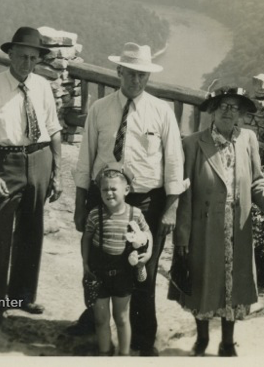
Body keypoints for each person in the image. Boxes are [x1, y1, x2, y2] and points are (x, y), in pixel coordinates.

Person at [73, 42, 184, 356]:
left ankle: (143, 340)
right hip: (103, 198)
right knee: (100, 263)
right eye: (132, 74)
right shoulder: (100, 109)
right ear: (119, 71)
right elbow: (86, 158)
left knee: (141, 270)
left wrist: (171, 208)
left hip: (146, 202)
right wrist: (81, 204)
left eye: (143, 75)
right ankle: (94, 324)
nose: (137, 81)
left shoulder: (161, 112)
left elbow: (174, 162)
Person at [0, 26, 62, 338]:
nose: (27, 63)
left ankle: (21, 295)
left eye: (33, 58)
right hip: (5, 162)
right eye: (22, 56)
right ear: (9, 54)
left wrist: (56, 170)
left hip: (40, 158)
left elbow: (53, 128)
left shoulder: (43, 87)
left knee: (31, 230)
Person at [172, 87, 264, 357]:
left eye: (234, 107)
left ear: (241, 113)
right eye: (223, 106)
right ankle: (202, 338)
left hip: (237, 227)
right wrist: (182, 237)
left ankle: (227, 342)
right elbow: (185, 194)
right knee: (202, 282)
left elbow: (257, 181)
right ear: (213, 110)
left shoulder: (247, 139)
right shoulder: (193, 143)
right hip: (203, 226)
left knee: (232, 284)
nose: (229, 111)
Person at [81, 162, 153, 356]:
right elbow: (86, 238)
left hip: (123, 275)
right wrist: (85, 264)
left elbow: (147, 233)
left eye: (114, 188)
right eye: (105, 189)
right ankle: (105, 351)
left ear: (126, 190)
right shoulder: (96, 214)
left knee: (121, 318)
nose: (109, 193)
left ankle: (124, 354)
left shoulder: (134, 213)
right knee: (101, 319)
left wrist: (147, 254)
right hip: (99, 273)